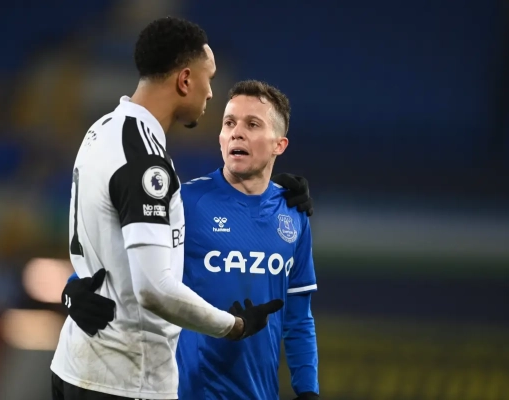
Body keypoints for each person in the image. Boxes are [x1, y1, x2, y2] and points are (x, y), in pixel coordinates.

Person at [50, 17, 285, 400]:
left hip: (76, 364)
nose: (212, 93)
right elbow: (155, 290)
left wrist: (71, 289)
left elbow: (102, 242)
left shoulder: (101, 130)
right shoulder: (145, 161)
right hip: (126, 379)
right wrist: (235, 326)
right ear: (185, 80)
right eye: (209, 79)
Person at [65, 80, 320, 400]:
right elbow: (114, 255)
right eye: (229, 123)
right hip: (187, 391)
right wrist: (74, 286)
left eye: (252, 124)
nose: (237, 133)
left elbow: (298, 319)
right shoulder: (185, 201)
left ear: (279, 145)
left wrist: (308, 390)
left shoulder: (294, 214)